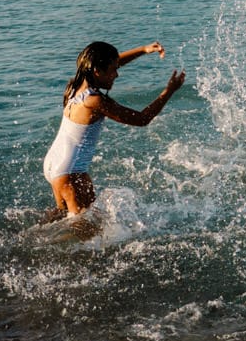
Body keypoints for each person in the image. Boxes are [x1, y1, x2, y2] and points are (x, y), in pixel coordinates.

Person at [41, 39, 185, 218]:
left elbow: (103, 64)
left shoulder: (74, 87)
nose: (116, 74)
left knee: (62, 220)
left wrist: (143, 49)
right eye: (113, 70)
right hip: (72, 172)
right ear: (97, 71)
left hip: (55, 163)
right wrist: (169, 91)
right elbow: (142, 119)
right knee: (85, 234)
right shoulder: (94, 101)